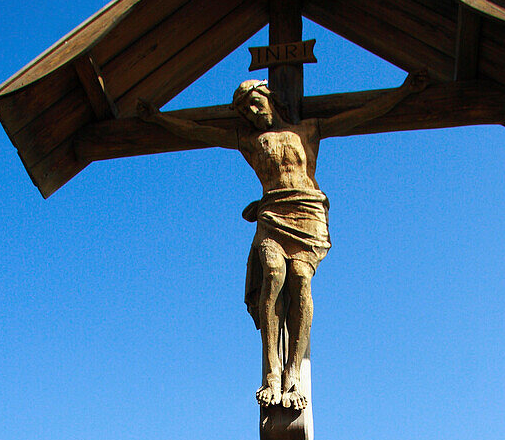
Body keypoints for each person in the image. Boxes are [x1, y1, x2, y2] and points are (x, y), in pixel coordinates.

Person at [137, 72, 427, 410]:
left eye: (255, 105)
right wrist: (158, 119)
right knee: (273, 273)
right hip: (272, 213)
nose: (253, 114)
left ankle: (293, 372)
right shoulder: (249, 141)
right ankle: (272, 372)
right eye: (246, 111)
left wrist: (403, 92)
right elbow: (198, 131)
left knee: (300, 279)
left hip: (307, 212)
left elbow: (362, 115)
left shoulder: (309, 130)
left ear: (270, 98)